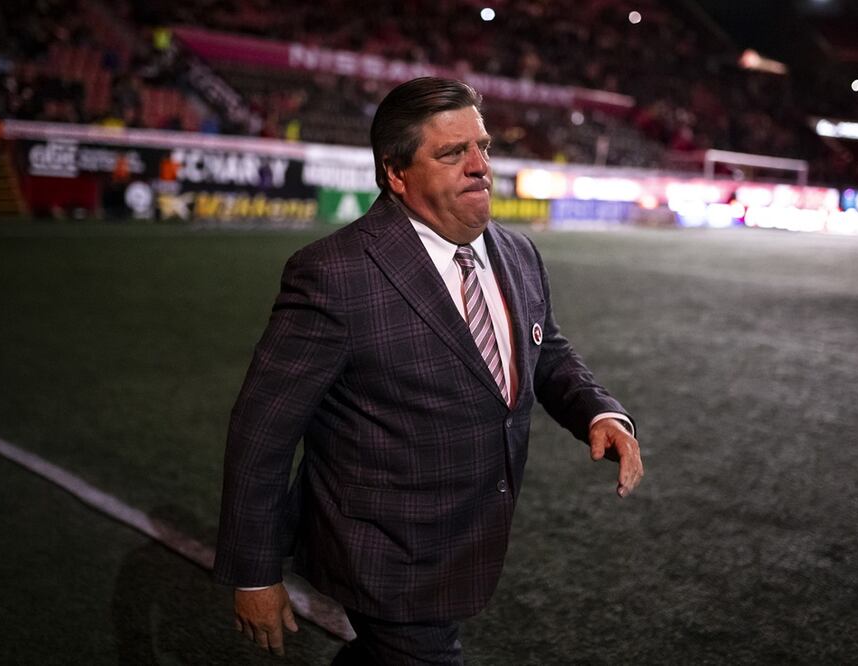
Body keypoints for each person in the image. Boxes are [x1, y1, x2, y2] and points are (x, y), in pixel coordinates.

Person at [214, 77, 643, 664]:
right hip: (382, 550)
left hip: (468, 533)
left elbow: (546, 350)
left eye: (483, 147)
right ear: (396, 172)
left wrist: (598, 409)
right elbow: (262, 432)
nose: (480, 166)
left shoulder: (517, 252)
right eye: (452, 153)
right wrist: (253, 571)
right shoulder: (335, 274)